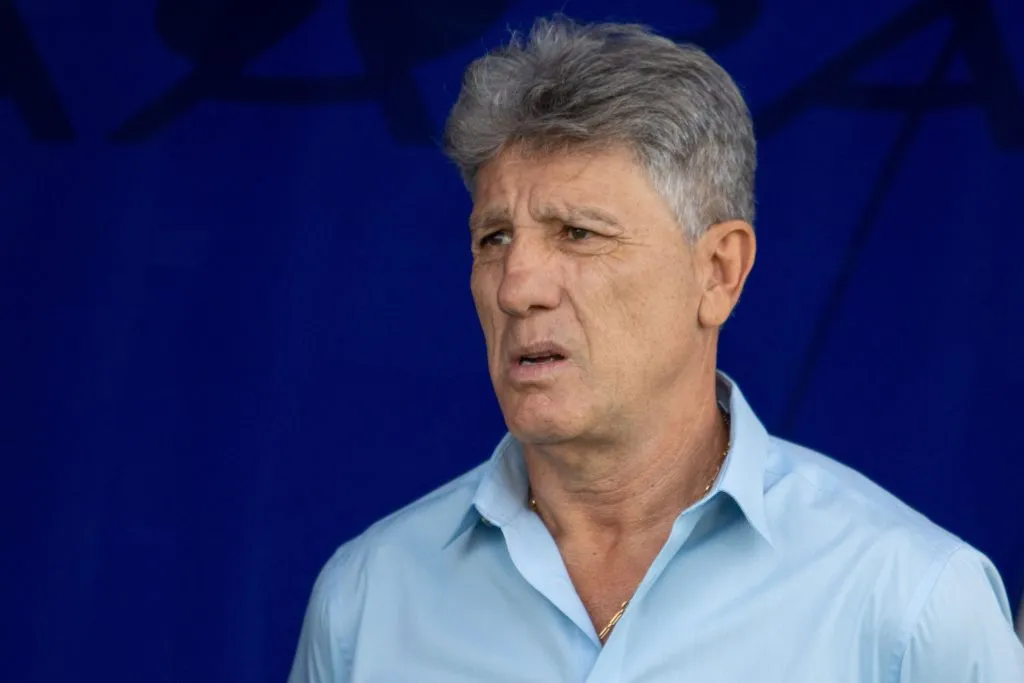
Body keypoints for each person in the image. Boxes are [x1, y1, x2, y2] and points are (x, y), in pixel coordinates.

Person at [287, 16, 1024, 682]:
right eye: (495, 238)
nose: (517, 286)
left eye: (578, 233)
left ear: (718, 272)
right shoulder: (367, 598)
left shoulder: (910, 602)